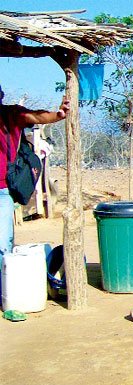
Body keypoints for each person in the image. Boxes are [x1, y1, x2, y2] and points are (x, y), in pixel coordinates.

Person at [0, 84, 69, 258]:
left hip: (2, 189)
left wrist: (58, 115)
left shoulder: (11, 115)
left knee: (2, 243)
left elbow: (37, 116)